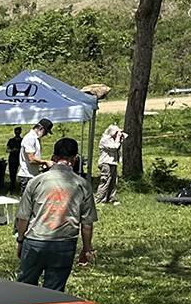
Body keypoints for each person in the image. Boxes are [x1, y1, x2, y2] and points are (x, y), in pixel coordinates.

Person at [15, 137, 96, 291]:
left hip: (35, 241)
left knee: (24, 290)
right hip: (64, 244)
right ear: (75, 159)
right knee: (55, 293)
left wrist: (20, 241)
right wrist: (86, 248)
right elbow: (87, 224)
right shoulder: (83, 185)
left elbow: (23, 217)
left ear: (53, 158)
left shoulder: (36, 181)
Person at [18, 118, 53, 186]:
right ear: (41, 128)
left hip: (32, 175)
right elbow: (31, 159)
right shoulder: (30, 138)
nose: (45, 134)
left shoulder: (35, 138)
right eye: (46, 132)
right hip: (27, 175)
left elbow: (34, 158)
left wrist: (41, 165)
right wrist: (45, 162)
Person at [96, 123, 124, 204]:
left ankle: (111, 199)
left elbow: (118, 147)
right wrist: (118, 138)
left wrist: (120, 138)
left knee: (113, 182)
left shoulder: (114, 139)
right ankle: (99, 200)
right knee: (105, 181)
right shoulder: (105, 139)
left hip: (113, 162)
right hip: (105, 162)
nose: (117, 134)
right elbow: (114, 147)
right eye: (116, 132)